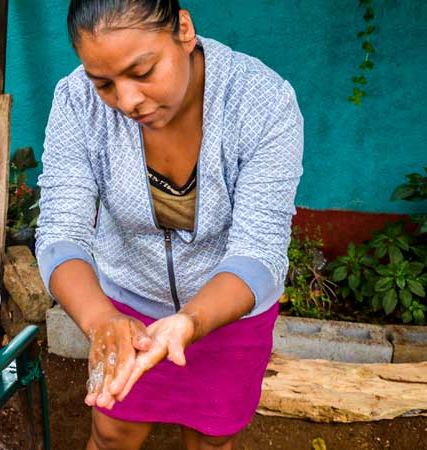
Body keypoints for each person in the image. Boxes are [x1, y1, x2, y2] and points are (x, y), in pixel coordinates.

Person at [34, 1, 304, 449]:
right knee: (112, 432)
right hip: (124, 306)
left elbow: (260, 252)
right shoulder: (76, 101)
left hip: (229, 311)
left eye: (142, 72)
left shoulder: (262, 101)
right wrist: (102, 320)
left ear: (183, 29)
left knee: (212, 437)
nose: (127, 101)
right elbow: (61, 232)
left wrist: (190, 321)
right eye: (104, 83)